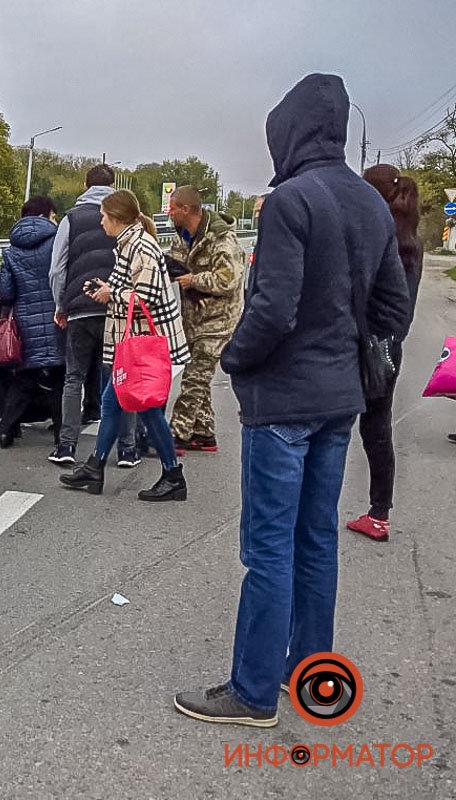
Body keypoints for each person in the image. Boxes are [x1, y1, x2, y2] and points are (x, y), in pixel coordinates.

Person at [174, 74, 412, 728]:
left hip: (284, 402)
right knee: (315, 540)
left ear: (289, 131)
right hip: (340, 399)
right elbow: (394, 302)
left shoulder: (289, 202)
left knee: (268, 548)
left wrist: (233, 360)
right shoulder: (368, 203)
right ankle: (306, 668)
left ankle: (251, 692)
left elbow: (273, 309)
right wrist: (366, 362)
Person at [59, 189, 190, 500]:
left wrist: (111, 295)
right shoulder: (129, 244)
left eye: (104, 216)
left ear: (117, 219)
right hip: (131, 344)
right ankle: (95, 466)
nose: (101, 221)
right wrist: (108, 287)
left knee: (146, 409)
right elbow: (133, 287)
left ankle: (173, 474)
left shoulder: (141, 247)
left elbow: (148, 297)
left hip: (144, 346)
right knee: (112, 403)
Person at [345, 165, 423, 541]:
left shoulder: (375, 235)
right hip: (390, 348)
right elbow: (403, 308)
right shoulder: (411, 240)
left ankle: (314, 506)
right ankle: (379, 513)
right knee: (377, 429)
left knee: (332, 423)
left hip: (363, 344)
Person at [49, 165, 139, 468]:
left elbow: (57, 268)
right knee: (120, 376)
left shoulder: (71, 218)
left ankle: (66, 446)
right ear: (113, 186)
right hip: (116, 309)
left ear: (85, 184)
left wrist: (61, 305)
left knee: (73, 377)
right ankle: (127, 450)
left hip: (80, 307)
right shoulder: (125, 218)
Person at [165, 186, 246, 452]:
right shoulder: (183, 234)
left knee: (194, 377)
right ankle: (203, 431)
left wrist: (194, 279)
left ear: (186, 209)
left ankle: (176, 433)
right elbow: (176, 261)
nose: (169, 212)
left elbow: (229, 279)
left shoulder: (222, 238)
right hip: (195, 315)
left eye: (172, 207)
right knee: (199, 375)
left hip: (219, 319)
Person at [0, 195, 66, 448]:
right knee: (59, 378)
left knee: (24, 378)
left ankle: (6, 430)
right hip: (57, 317)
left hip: (25, 322)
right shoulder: (58, 242)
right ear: (46, 215)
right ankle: (61, 435)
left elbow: (5, 293)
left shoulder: (11, 249)